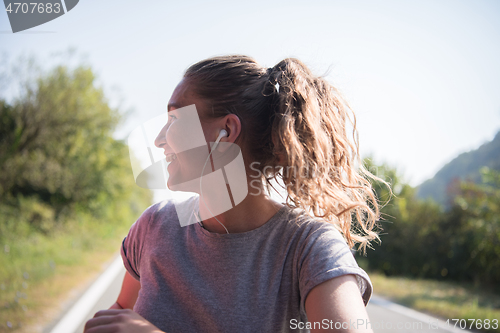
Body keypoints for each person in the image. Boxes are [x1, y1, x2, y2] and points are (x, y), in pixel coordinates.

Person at [84, 55, 384, 333]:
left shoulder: (310, 247)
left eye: (174, 119)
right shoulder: (154, 227)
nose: (160, 139)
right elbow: (123, 311)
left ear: (225, 131)